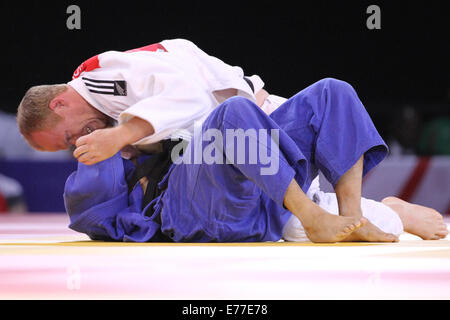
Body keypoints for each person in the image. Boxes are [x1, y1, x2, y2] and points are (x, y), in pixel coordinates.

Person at [17, 39, 447, 242]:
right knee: (290, 209)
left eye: (67, 138)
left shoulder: (103, 82)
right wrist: (124, 146)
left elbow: (191, 90)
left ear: (58, 106)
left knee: (333, 92)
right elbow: (99, 215)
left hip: (237, 150)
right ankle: (374, 213)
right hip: (205, 182)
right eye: (70, 148)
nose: (76, 147)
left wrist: (123, 135)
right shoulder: (99, 137)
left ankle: (353, 215)